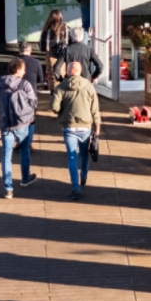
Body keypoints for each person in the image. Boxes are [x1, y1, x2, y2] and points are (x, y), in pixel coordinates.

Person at [52, 61, 101, 201]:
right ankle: (84, 175)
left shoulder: (61, 87)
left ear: (69, 71)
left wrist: (61, 111)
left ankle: (75, 188)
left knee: (72, 157)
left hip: (69, 127)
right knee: (84, 154)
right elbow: (95, 109)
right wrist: (97, 126)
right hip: (85, 126)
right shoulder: (89, 86)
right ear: (80, 71)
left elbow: (55, 107)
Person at [0, 58, 38, 199]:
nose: (25, 71)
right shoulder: (25, 84)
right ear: (17, 69)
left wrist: (1, 115)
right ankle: (25, 178)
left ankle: (8, 188)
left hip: (5, 124)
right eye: (23, 69)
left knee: (6, 155)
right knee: (24, 150)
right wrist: (29, 117)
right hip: (23, 123)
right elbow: (33, 103)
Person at [39, 10, 67, 88]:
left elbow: (41, 46)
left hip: (50, 55)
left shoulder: (46, 30)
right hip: (63, 55)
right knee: (62, 75)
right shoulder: (65, 28)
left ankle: (53, 94)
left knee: (52, 77)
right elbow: (68, 43)